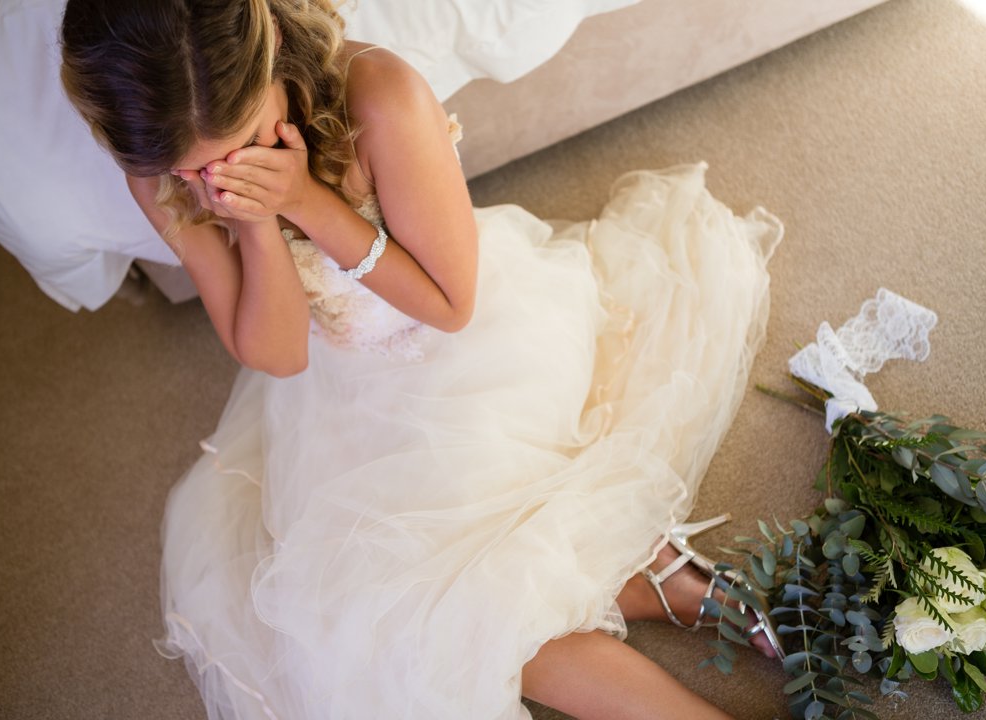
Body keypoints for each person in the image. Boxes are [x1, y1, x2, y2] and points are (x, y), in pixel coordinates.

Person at [60, 1, 784, 717]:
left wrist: (307, 200)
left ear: (270, 46)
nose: (223, 179)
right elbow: (278, 355)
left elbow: (449, 304)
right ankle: (661, 578)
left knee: (465, 609)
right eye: (197, 172)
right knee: (421, 620)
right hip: (338, 390)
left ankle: (663, 589)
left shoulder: (379, 94)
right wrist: (254, 224)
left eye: (243, 142)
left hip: (471, 350)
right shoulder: (159, 169)